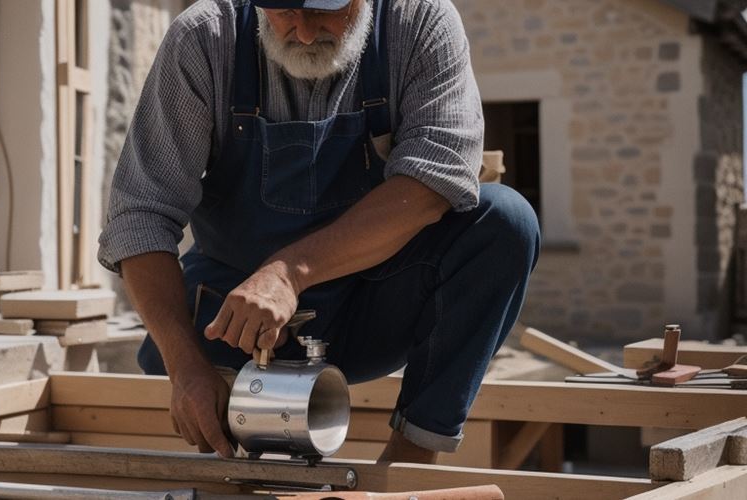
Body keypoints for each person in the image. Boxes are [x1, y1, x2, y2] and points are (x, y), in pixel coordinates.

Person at [98, 0, 540, 463]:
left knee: (505, 222)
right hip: (232, 325)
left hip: (370, 308)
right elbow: (140, 215)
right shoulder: (205, 39)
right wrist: (184, 366)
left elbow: (437, 176)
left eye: (326, 12)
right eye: (284, 11)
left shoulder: (418, 22)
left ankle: (409, 461)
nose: (304, 33)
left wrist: (289, 273)